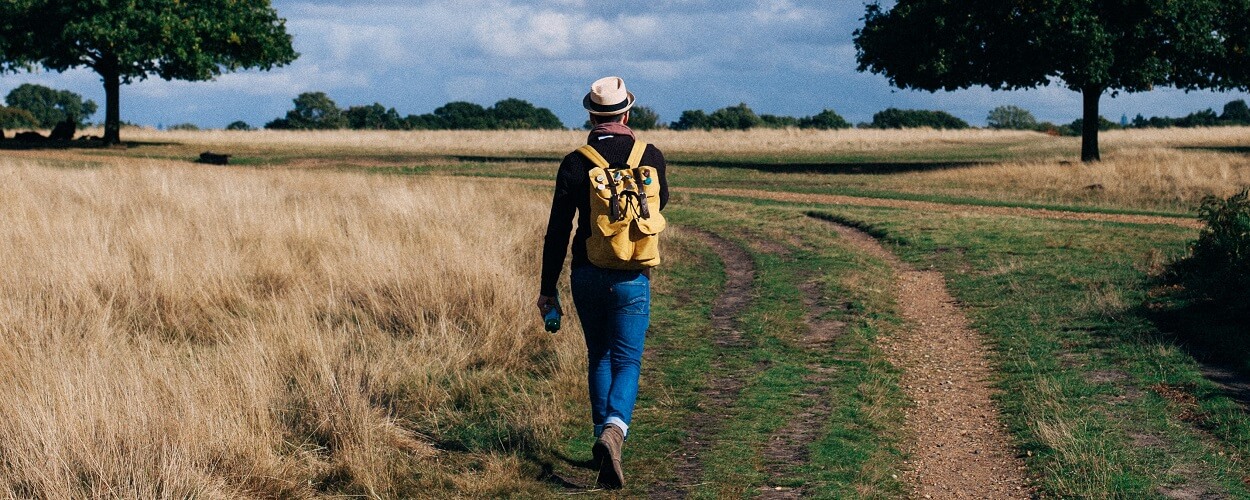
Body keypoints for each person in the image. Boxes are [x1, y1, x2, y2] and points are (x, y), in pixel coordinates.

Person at [537, 76, 668, 489]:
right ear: (627, 112)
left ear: (592, 115)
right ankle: (615, 431)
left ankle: (601, 440)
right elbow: (660, 204)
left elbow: (558, 230)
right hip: (633, 274)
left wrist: (547, 288)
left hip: (586, 272)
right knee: (628, 360)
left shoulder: (576, 161)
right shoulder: (653, 157)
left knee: (600, 356)